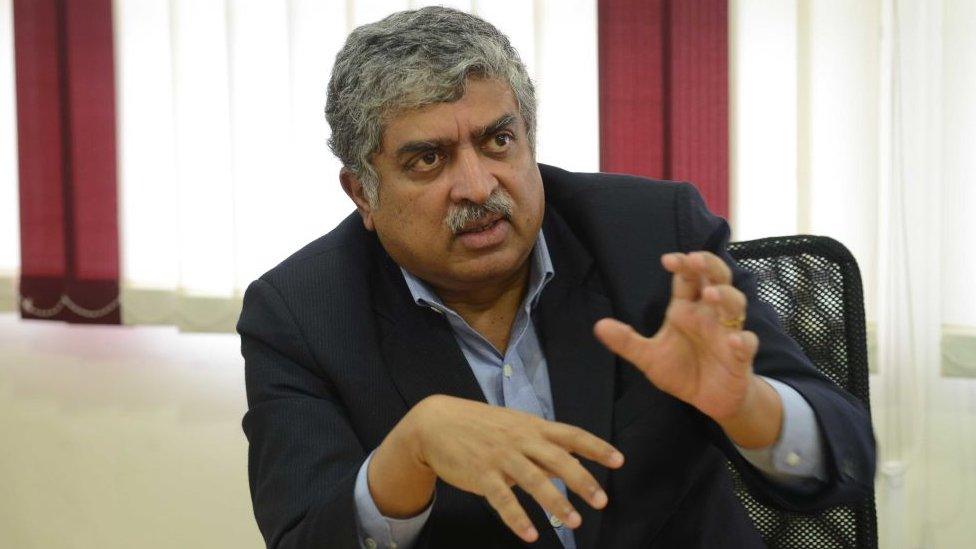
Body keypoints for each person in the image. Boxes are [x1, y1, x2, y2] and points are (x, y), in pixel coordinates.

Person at [237, 7, 875, 549]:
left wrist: (745, 406)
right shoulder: (300, 312)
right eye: (428, 159)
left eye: (498, 141)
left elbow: (847, 454)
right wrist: (406, 458)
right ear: (363, 195)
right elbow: (303, 532)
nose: (479, 186)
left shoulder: (655, 238)